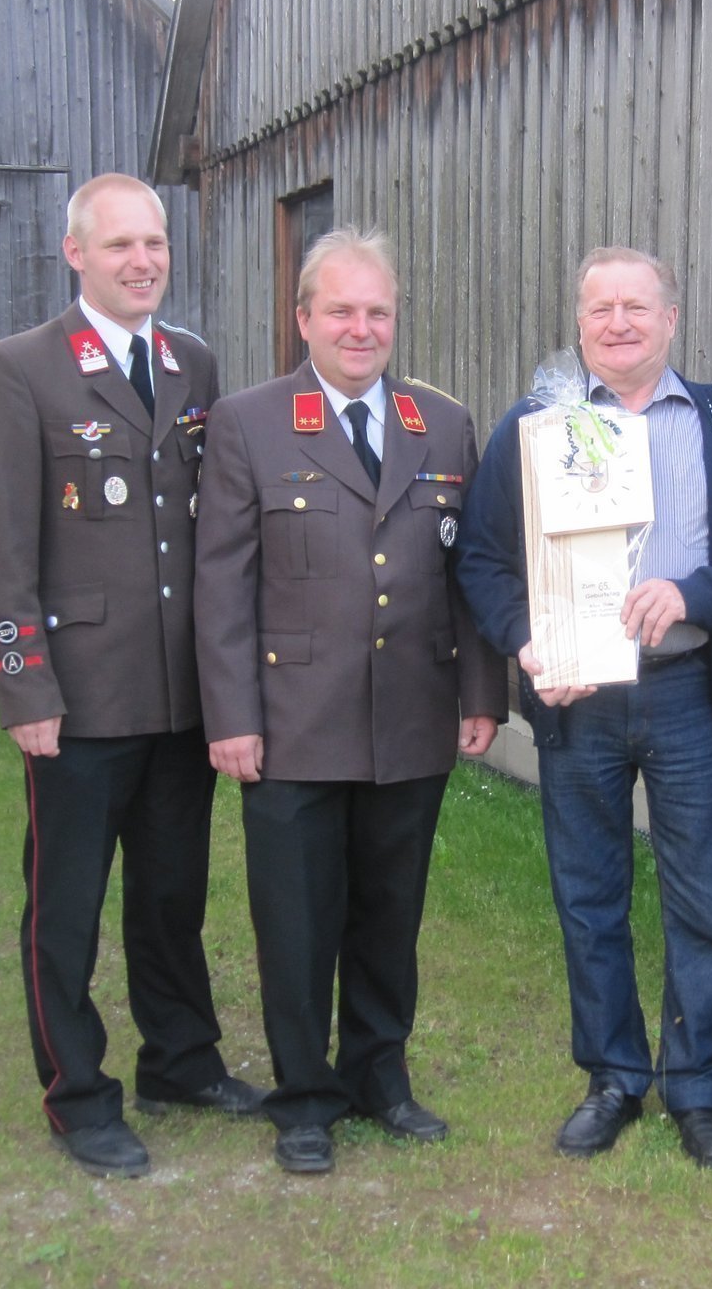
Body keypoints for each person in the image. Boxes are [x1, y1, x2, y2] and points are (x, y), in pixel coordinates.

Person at [457, 248, 712, 1170]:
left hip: (692, 690)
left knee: (707, 900)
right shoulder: (538, 426)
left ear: (671, 320)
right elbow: (482, 560)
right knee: (589, 897)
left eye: (637, 307)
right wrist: (526, 639)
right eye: (600, 308)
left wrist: (695, 595)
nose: (618, 323)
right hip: (579, 698)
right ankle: (613, 1077)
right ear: (579, 323)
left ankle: (697, 1091)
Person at [0, 172, 262, 1179]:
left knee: (172, 898)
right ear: (75, 254)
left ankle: (181, 1061)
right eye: (120, 244)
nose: (142, 261)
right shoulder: (21, 369)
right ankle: (77, 1094)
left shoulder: (191, 362)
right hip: (79, 699)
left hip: (178, 695)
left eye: (155, 243)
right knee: (66, 910)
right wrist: (23, 687)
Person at [193, 228, 507, 1176]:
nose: (360, 329)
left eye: (377, 311)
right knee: (296, 923)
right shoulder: (249, 423)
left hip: (409, 717)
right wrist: (231, 717)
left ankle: (379, 1078)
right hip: (292, 722)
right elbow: (222, 586)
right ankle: (303, 1099)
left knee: (389, 914)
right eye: (341, 311)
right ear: (304, 319)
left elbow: (467, 572)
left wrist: (481, 691)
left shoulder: (441, 424)